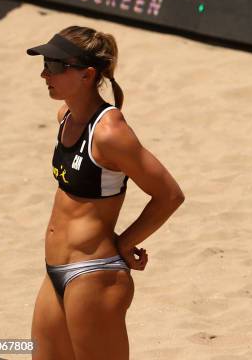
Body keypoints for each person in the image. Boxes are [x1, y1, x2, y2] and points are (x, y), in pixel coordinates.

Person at [28, 26, 185, 360]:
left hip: (94, 275)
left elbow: (170, 195)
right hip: (56, 271)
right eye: (45, 62)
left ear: (86, 75)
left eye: (55, 65)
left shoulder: (111, 132)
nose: (44, 73)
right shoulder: (65, 117)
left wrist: (124, 243)